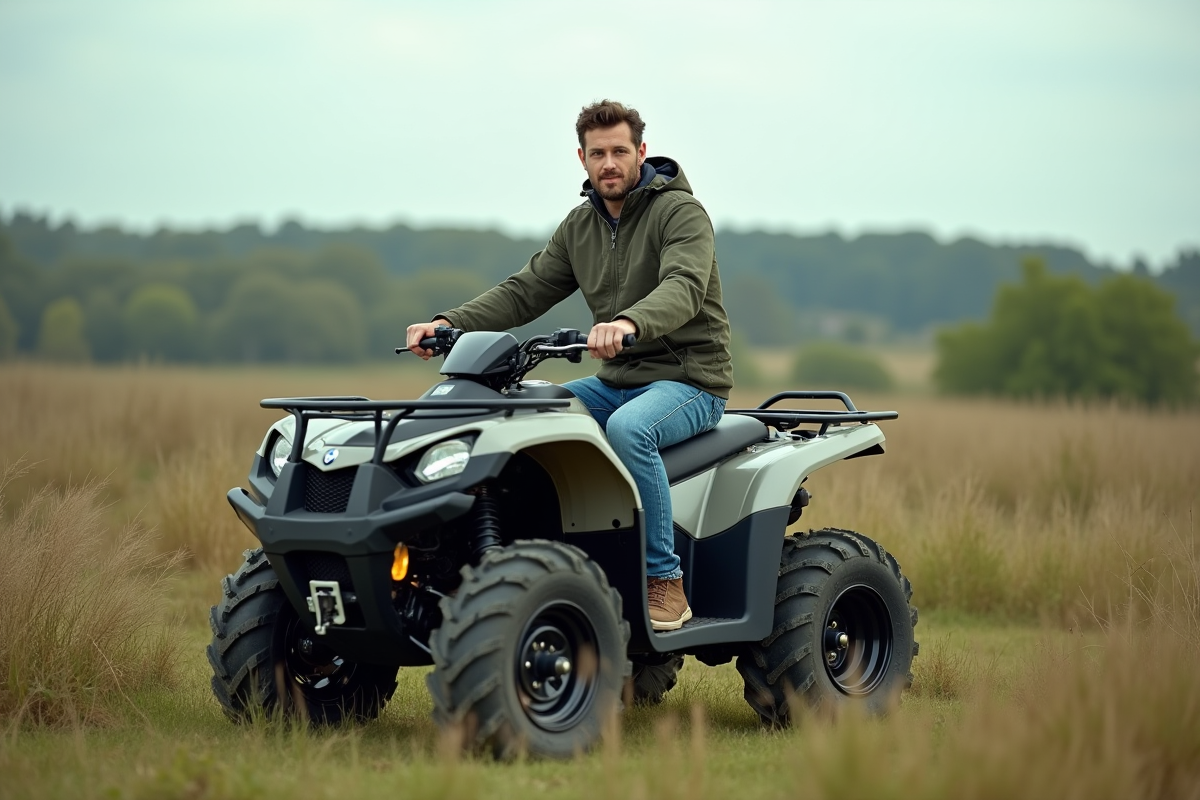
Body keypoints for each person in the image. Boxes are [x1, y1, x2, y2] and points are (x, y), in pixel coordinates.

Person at [406, 100, 733, 631]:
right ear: (581, 158)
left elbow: (684, 288)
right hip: (618, 379)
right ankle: (549, 568)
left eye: (620, 151)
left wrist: (627, 323)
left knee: (631, 431)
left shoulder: (681, 214)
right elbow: (525, 291)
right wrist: (448, 323)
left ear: (641, 153)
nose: (610, 163)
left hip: (691, 379)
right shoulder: (581, 226)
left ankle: (663, 580)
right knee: (532, 416)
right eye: (598, 153)